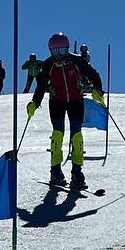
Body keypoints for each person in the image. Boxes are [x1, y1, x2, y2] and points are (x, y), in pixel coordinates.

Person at [26, 31, 95, 190]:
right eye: (55, 51)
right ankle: (55, 171)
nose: (58, 54)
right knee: (58, 134)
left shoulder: (76, 61)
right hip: (56, 102)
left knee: (76, 136)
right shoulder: (48, 65)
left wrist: (98, 89)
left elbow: (92, 73)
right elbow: (41, 85)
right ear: (50, 50)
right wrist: (35, 103)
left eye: (62, 50)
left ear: (67, 48)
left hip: (76, 101)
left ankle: (77, 173)